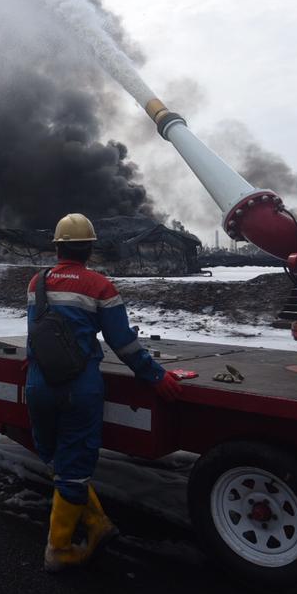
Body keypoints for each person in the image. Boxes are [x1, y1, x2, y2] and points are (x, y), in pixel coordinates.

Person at [25, 213, 194, 572]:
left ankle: (96, 523)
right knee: (74, 467)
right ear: (90, 248)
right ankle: (59, 550)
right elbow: (123, 343)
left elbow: (36, 333)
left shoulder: (35, 283)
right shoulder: (100, 286)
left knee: (56, 457)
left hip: (39, 384)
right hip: (78, 388)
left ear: (57, 248)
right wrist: (155, 377)